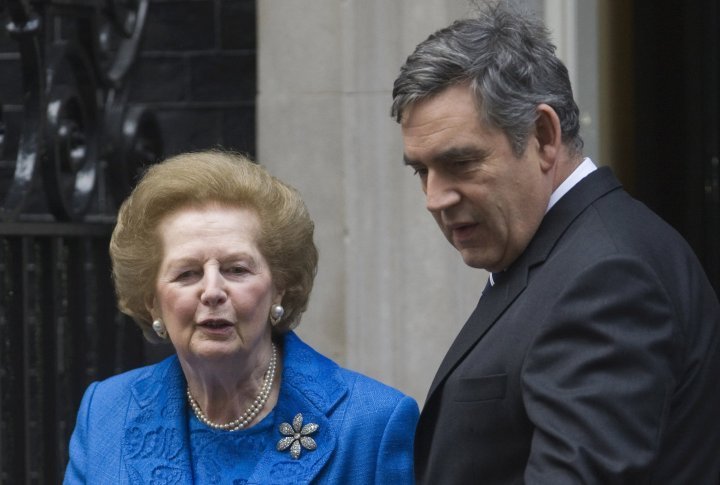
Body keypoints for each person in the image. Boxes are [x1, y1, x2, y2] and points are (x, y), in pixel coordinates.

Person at [391, 3, 720, 484]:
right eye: (422, 171)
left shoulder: (607, 277)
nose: (434, 198)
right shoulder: (573, 253)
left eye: (460, 163)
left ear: (544, 137)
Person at [63, 150, 418, 484]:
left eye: (236, 269)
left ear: (279, 287)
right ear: (153, 301)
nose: (213, 291)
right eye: (187, 273)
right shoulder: (106, 413)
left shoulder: (371, 423)